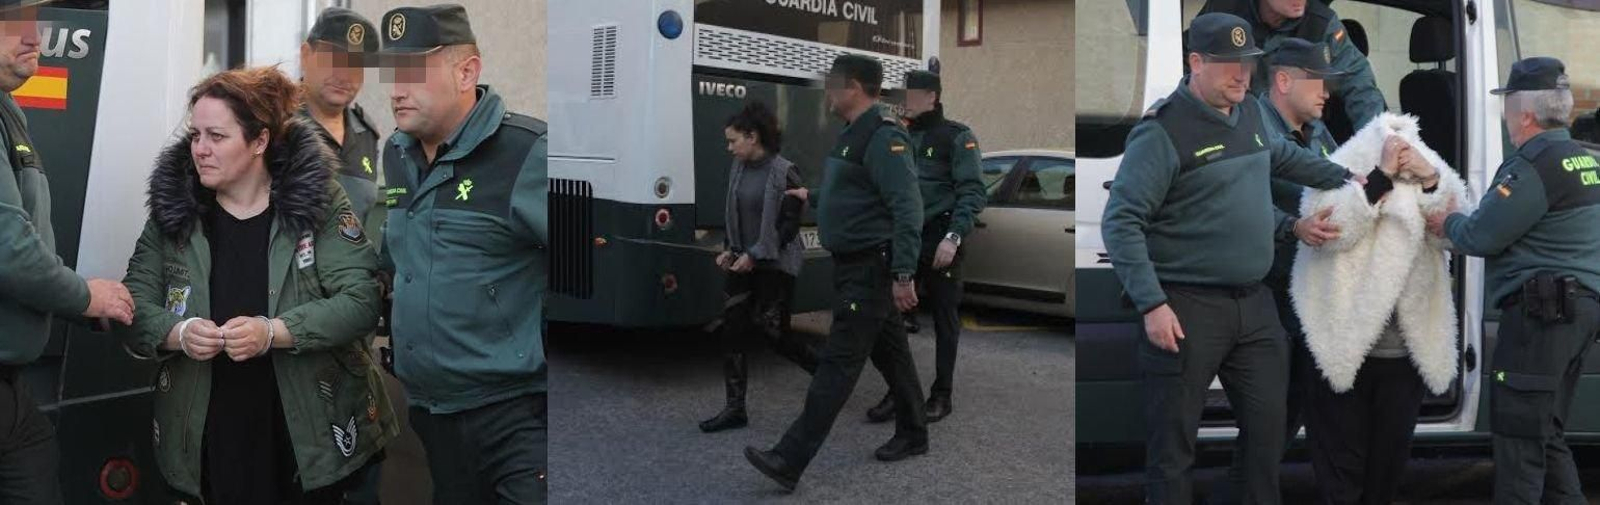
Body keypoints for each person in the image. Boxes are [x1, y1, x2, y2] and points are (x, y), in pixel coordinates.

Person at [1100, 13, 1392, 504]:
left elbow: (1283, 157)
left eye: (1248, 62)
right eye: (1229, 63)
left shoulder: (1250, 112)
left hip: (1254, 308)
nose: (1242, 74)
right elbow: (1121, 221)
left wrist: (1348, 178)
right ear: (1196, 63)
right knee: (1173, 450)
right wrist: (1152, 304)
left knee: (1267, 438)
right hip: (1187, 307)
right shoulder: (1163, 131)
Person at [116, 66, 396, 505]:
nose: (200, 150)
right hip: (208, 431)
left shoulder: (317, 203)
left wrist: (273, 332)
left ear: (259, 141)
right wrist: (180, 333)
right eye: (195, 135)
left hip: (304, 431)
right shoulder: (174, 213)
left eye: (217, 136)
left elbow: (361, 302)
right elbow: (132, 307)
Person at [376, 4, 549, 504]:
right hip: (432, 416)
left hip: (515, 418)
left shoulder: (528, 152)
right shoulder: (398, 153)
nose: (397, 89)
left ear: (466, 72)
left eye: (414, 72)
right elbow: (398, 259)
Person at [744, 54, 927, 492]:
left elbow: (908, 207)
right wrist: (811, 195)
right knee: (893, 356)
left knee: (837, 365)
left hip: (870, 268)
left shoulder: (884, 136)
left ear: (854, 87)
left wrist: (904, 273)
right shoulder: (854, 133)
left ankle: (789, 459)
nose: (825, 91)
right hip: (855, 265)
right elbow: (855, 190)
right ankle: (914, 432)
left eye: (831, 84)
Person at [1425, 57, 1600, 505]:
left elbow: (1482, 235)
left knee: (1520, 440)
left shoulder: (1534, 165)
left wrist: (1448, 221)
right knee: (1546, 434)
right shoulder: (1585, 159)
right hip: (1578, 313)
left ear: (1523, 113)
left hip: (1541, 319)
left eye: (1507, 104)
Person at [0, 3, 135, 503]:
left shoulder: (7, 110)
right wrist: (84, 296)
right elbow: (9, 248)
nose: (34, 37)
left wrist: (81, 304)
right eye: (13, 24)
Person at [1213, 38, 1345, 503]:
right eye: (1317, 81)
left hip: (1303, 290)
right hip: (1262, 288)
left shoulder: (1318, 132)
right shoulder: (1253, 125)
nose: (1326, 92)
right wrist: (1293, 226)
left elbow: (1341, 180)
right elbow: (1239, 201)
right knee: (1268, 420)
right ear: (1284, 81)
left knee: (1282, 417)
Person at [865, 69, 984, 424]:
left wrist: (954, 237)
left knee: (945, 320)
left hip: (940, 238)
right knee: (888, 318)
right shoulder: (898, 136)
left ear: (931, 97)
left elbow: (973, 192)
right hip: (904, 239)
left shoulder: (957, 137)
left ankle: (941, 395)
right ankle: (899, 391)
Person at [699, 101, 819, 433]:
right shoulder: (738, 168)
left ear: (753, 137)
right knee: (732, 330)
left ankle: (827, 375)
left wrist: (755, 254)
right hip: (743, 262)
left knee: (774, 333)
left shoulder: (785, 171)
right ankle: (735, 409)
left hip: (775, 265)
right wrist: (730, 250)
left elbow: (789, 226)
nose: (729, 148)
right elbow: (735, 215)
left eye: (733, 140)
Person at [1199, 0, 1386, 133]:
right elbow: (1189, 66)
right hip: (1232, 136)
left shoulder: (1320, 23)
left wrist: (1377, 141)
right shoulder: (1224, 10)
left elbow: (1360, 85)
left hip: (1295, 138)